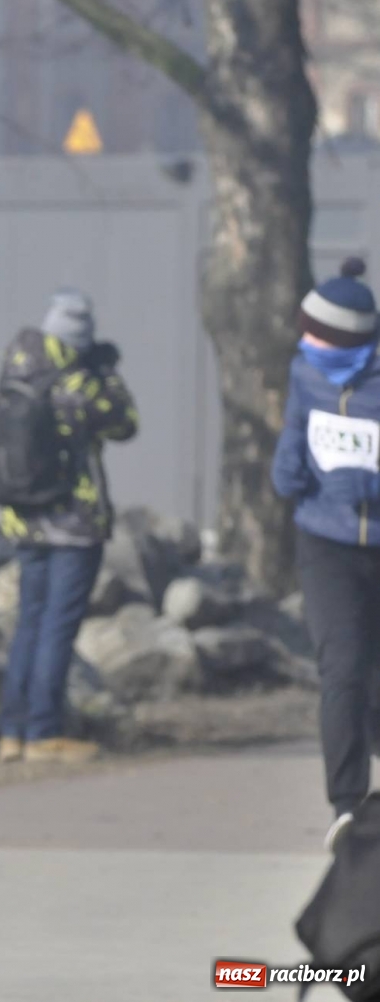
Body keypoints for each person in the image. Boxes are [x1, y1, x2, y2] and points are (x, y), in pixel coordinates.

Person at [0, 290, 138, 764]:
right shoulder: (81, 382)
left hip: (24, 519)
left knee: (29, 624)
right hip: (74, 523)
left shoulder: (17, 367)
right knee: (57, 627)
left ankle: (11, 734)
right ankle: (43, 732)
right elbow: (125, 422)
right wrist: (104, 371)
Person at [271, 256, 380, 852]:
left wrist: (365, 483)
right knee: (341, 669)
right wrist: (287, 467)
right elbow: (298, 434)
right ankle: (346, 806)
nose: (306, 343)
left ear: (350, 340)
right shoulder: (305, 372)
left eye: (317, 335)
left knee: (373, 679)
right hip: (325, 543)